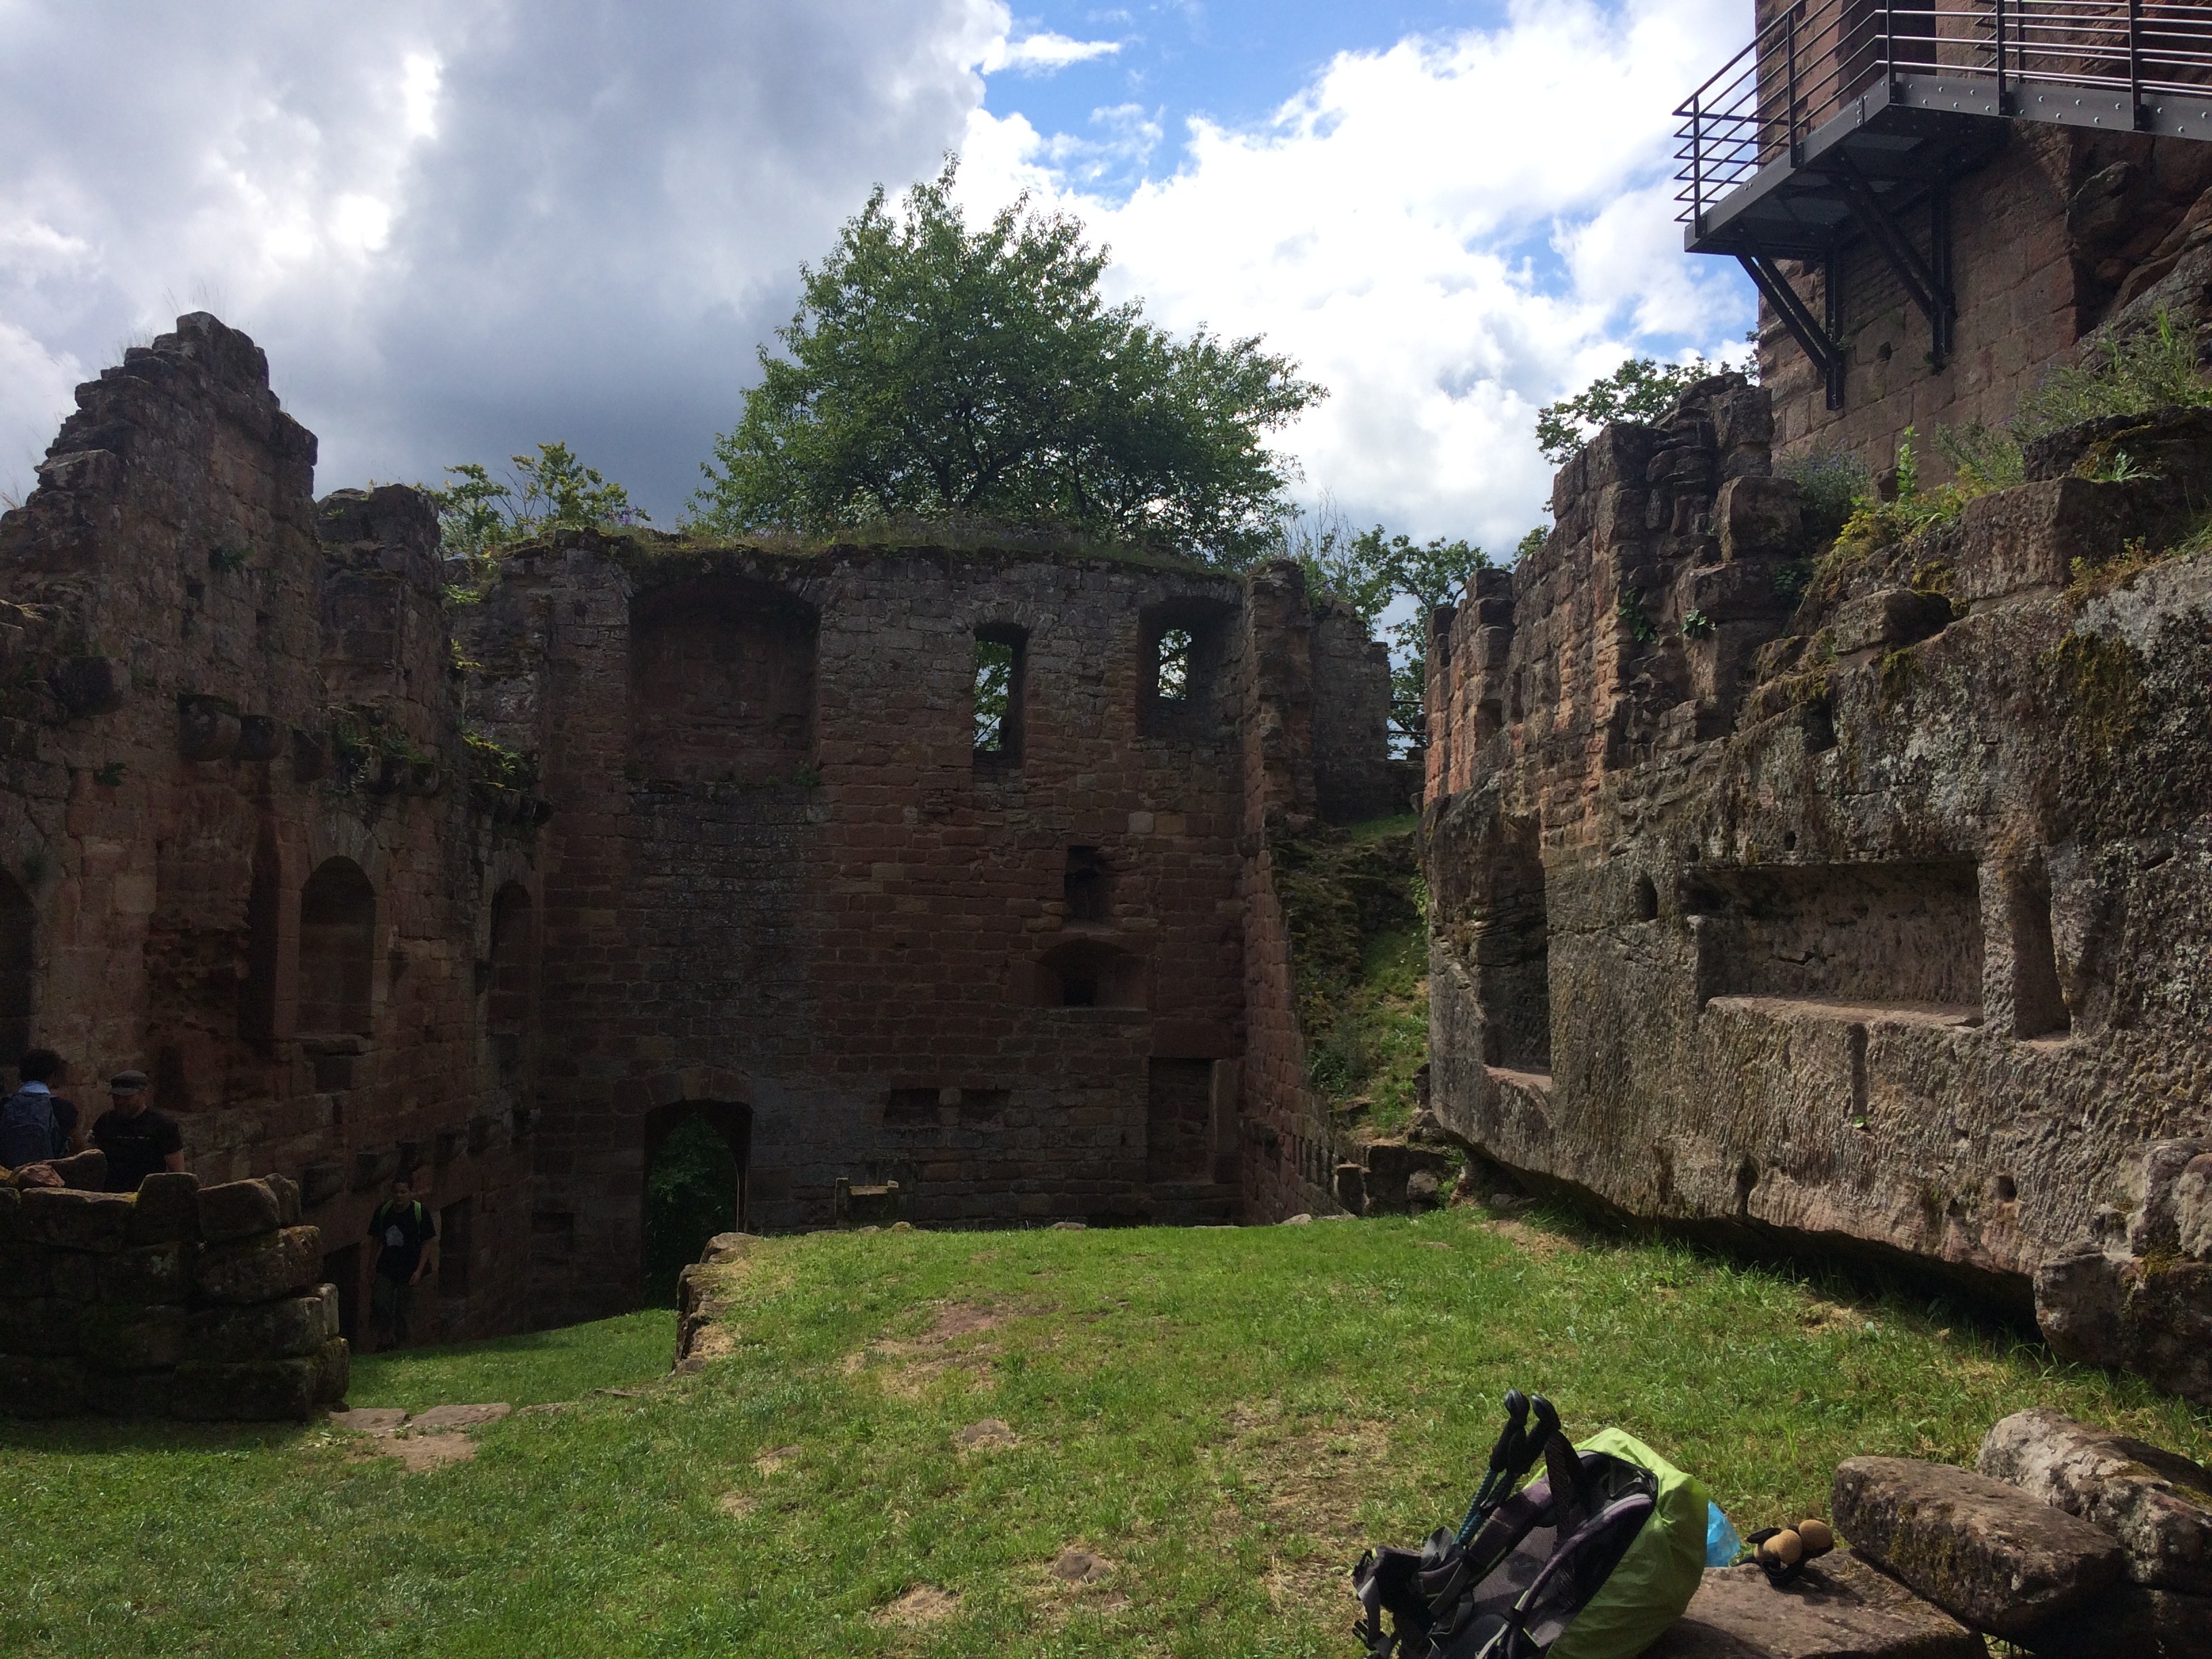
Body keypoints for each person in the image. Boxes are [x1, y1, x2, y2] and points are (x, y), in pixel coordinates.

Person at [368, 1173, 437, 1348]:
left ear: (410, 1193)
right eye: (396, 1192)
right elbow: (375, 1240)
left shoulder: (419, 1213)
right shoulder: (384, 1212)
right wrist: (371, 1266)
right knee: (380, 1301)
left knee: (405, 1309)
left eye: (403, 1192)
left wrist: (420, 1270)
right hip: (387, 1266)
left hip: (410, 1268)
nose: (399, 1196)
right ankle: (384, 1340)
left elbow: (428, 1242)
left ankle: (402, 1345)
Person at [91, 1069, 184, 1194]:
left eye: (127, 1098)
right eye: (116, 1097)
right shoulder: (106, 1121)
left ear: (144, 1094)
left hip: (147, 1196)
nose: (120, 1102)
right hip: (110, 1195)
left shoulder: (162, 1125)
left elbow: (177, 1172)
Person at [0, 1048, 78, 1178]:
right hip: (46, 1182)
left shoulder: (5, 1104)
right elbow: (77, 1148)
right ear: (52, 1074)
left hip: (7, 1179)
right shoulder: (62, 1107)